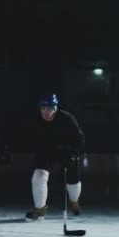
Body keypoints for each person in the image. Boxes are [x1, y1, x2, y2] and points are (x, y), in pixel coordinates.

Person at [26, 93, 85, 221]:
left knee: (73, 181)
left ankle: (74, 202)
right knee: (38, 176)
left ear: (55, 109)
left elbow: (79, 138)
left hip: (67, 151)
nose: (46, 112)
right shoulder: (35, 120)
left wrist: (74, 155)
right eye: (43, 109)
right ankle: (39, 209)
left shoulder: (66, 118)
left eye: (49, 109)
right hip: (47, 152)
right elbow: (33, 140)